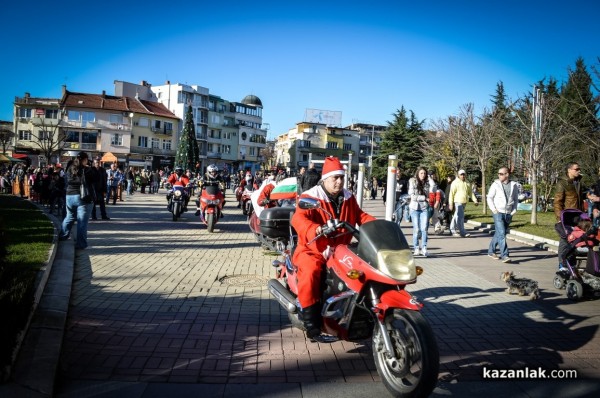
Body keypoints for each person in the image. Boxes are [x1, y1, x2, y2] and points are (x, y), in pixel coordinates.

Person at [291, 156, 376, 340]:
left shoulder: (348, 197)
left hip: (341, 249)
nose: (339, 182)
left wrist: (378, 226)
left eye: (341, 178)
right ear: (325, 179)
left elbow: (360, 216)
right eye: (334, 178)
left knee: (365, 267)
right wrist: (316, 229)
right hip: (313, 248)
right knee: (311, 271)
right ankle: (311, 322)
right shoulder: (310, 197)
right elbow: (298, 219)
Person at [554, 162, 600, 270]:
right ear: (569, 170)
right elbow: (557, 202)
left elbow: (581, 194)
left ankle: (572, 263)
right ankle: (562, 263)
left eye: (579, 168)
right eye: (576, 169)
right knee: (565, 239)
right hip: (567, 216)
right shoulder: (562, 183)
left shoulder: (578, 181)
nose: (579, 170)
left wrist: (588, 195)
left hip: (578, 215)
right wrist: (559, 218)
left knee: (577, 239)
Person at [58, 151, 97, 250]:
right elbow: (95, 180)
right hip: (82, 198)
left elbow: (67, 180)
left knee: (69, 217)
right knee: (81, 223)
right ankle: (81, 244)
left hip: (69, 196)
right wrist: (91, 168)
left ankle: (63, 235)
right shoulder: (87, 170)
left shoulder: (70, 168)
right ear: (84, 160)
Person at [486, 167, 519, 263]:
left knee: (500, 233)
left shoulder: (514, 185)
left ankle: (491, 251)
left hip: (508, 213)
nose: (499, 175)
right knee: (501, 234)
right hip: (498, 213)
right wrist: (494, 210)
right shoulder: (495, 184)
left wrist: (514, 210)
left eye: (501, 173)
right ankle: (505, 255)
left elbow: (516, 199)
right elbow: (489, 198)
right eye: (498, 173)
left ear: (507, 174)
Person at [408, 167, 434, 257]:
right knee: (417, 229)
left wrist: (430, 178)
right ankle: (416, 248)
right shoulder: (412, 181)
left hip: (424, 208)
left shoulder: (427, 183)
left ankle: (424, 248)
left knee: (424, 229)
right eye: (421, 173)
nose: (423, 175)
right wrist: (424, 198)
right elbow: (412, 196)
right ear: (418, 174)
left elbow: (434, 188)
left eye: (424, 173)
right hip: (414, 208)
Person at [448, 169, 479, 237]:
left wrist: (475, 200)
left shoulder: (467, 182)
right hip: (458, 202)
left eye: (464, 174)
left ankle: (452, 230)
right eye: (461, 174)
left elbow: (470, 192)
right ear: (458, 175)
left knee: (456, 216)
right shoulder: (455, 183)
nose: (463, 176)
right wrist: (450, 204)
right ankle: (462, 232)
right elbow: (451, 194)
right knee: (460, 217)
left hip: (464, 202)